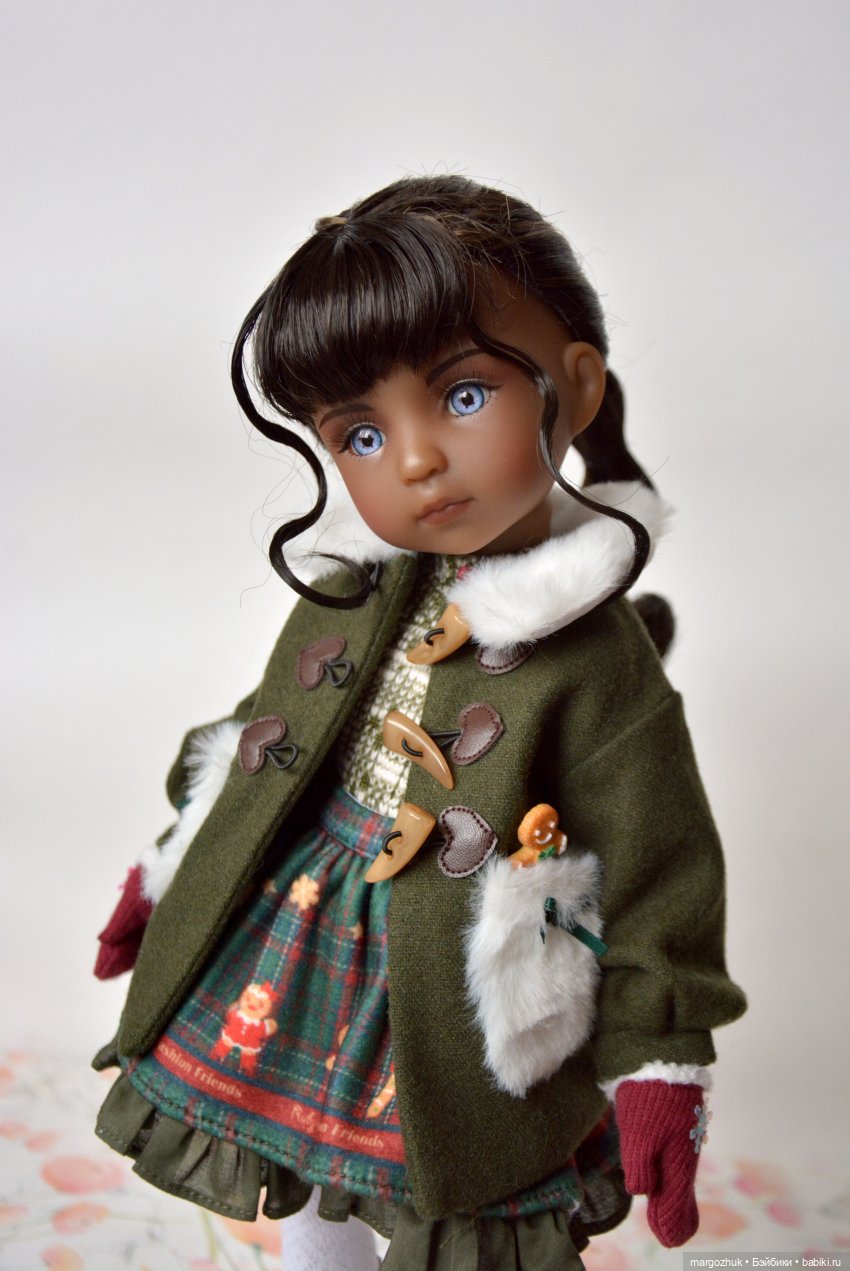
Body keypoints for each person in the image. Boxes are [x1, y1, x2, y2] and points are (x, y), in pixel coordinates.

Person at [93, 175, 746, 1270]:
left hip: (450, 974)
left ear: (577, 384)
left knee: (446, 1181)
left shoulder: (595, 658)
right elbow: (266, 730)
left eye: (462, 395)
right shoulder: (349, 585)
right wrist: (173, 861)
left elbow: (658, 858)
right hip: (300, 922)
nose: (413, 461)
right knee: (301, 1164)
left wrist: (659, 1054)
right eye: (358, 431)